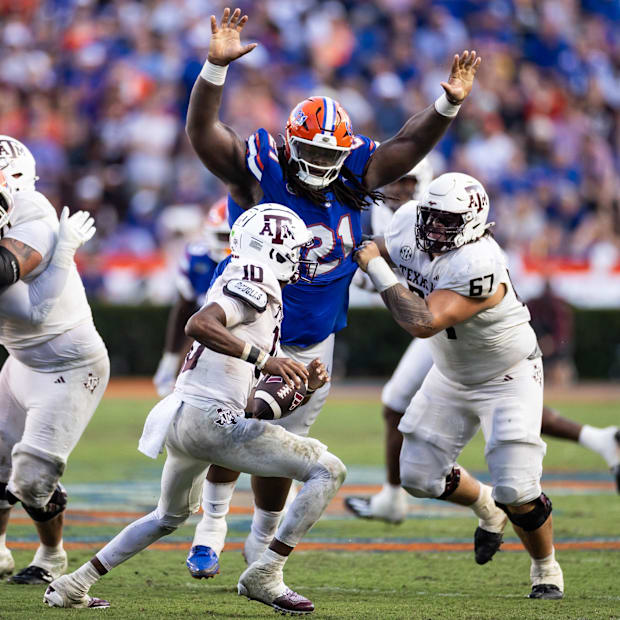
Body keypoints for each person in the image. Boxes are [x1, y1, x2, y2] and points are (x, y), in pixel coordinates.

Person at [183, 6, 481, 577]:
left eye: (330, 154)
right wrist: (214, 71)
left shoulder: (354, 174)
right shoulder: (259, 170)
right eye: (312, 153)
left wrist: (448, 104)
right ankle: (212, 522)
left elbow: (407, 143)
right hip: (251, 321)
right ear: (292, 146)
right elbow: (203, 134)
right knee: (225, 426)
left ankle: (264, 536)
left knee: (278, 444)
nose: (321, 163)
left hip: (314, 336)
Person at [44, 204, 344, 615]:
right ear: (271, 248)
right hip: (210, 420)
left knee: (167, 517)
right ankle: (265, 573)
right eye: (293, 248)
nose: (299, 257)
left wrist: (302, 386)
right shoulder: (256, 278)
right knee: (329, 470)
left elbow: (257, 406)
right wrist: (265, 359)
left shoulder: (250, 282)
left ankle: (74, 584)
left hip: (185, 417)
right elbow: (199, 324)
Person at [354, 172, 564, 599]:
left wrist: (375, 266)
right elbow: (375, 246)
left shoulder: (480, 262)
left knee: (518, 488)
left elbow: (422, 321)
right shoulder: (408, 221)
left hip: (507, 375)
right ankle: (486, 506)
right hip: (450, 374)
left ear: (473, 223)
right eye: (431, 217)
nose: (433, 228)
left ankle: (545, 567)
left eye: (446, 221)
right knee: (416, 476)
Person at [0, 135, 109, 585]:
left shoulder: (34, 216)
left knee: (30, 482)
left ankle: (51, 556)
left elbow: (30, 306)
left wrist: (63, 253)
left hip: (68, 367)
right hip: (21, 360)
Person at [153, 197, 230, 397]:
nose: (229, 244)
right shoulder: (197, 257)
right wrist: (169, 359)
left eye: (233, 236)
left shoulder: (258, 264)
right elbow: (184, 307)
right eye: (223, 236)